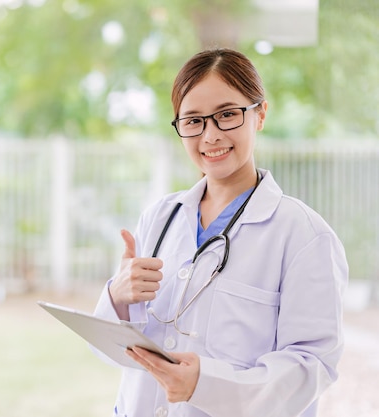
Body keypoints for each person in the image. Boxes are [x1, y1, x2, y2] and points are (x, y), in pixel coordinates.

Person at [93, 48, 348, 417]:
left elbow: (311, 368)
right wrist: (116, 297)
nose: (210, 136)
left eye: (227, 115)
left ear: (259, 114)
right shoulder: (159, 218)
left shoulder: (304, 236)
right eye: (193, 121)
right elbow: (116, 353)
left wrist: (206, 384)